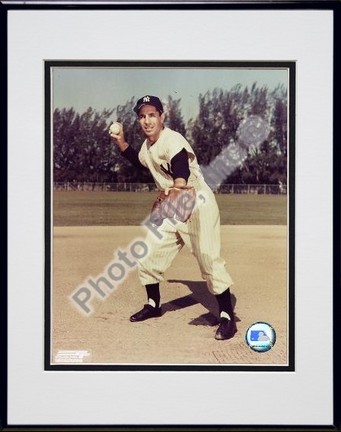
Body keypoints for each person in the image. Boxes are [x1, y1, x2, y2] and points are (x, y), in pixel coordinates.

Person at [110, 95, 236, 340]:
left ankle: (227, 318)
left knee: (209, 259)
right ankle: (153, 305)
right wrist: (122, 143)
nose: (147, 120)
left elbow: (181, 167)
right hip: (174, 206)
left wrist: (177, 186)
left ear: (162, 117)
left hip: (196, 203)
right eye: (142, 116)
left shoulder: (173, 139)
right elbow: (140, 162)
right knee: (148, 253)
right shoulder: (148, 148)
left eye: (152, 115)